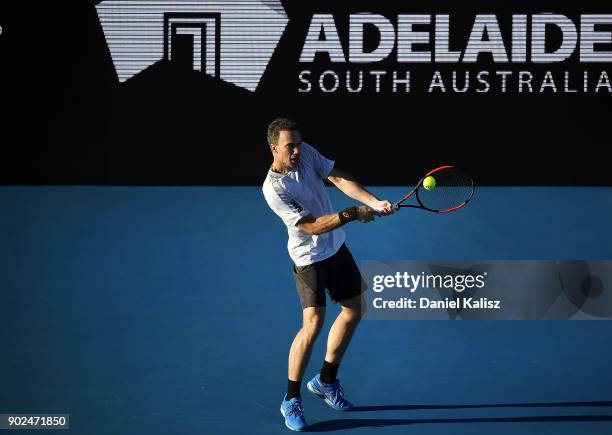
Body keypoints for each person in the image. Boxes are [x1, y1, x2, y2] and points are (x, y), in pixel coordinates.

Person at [262, 118, 395, 431]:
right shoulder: (274, 189)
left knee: (354, 309)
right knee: (313, 323)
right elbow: (310, 226)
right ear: (273, 148)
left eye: (297, 142)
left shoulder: (306, 152)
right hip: (308, 258)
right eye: (289, 146)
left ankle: (326, 381)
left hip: (336, 249)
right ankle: (291, 399)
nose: (296, 150)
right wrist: (352, 214)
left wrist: (373, 202)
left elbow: (337, 178)